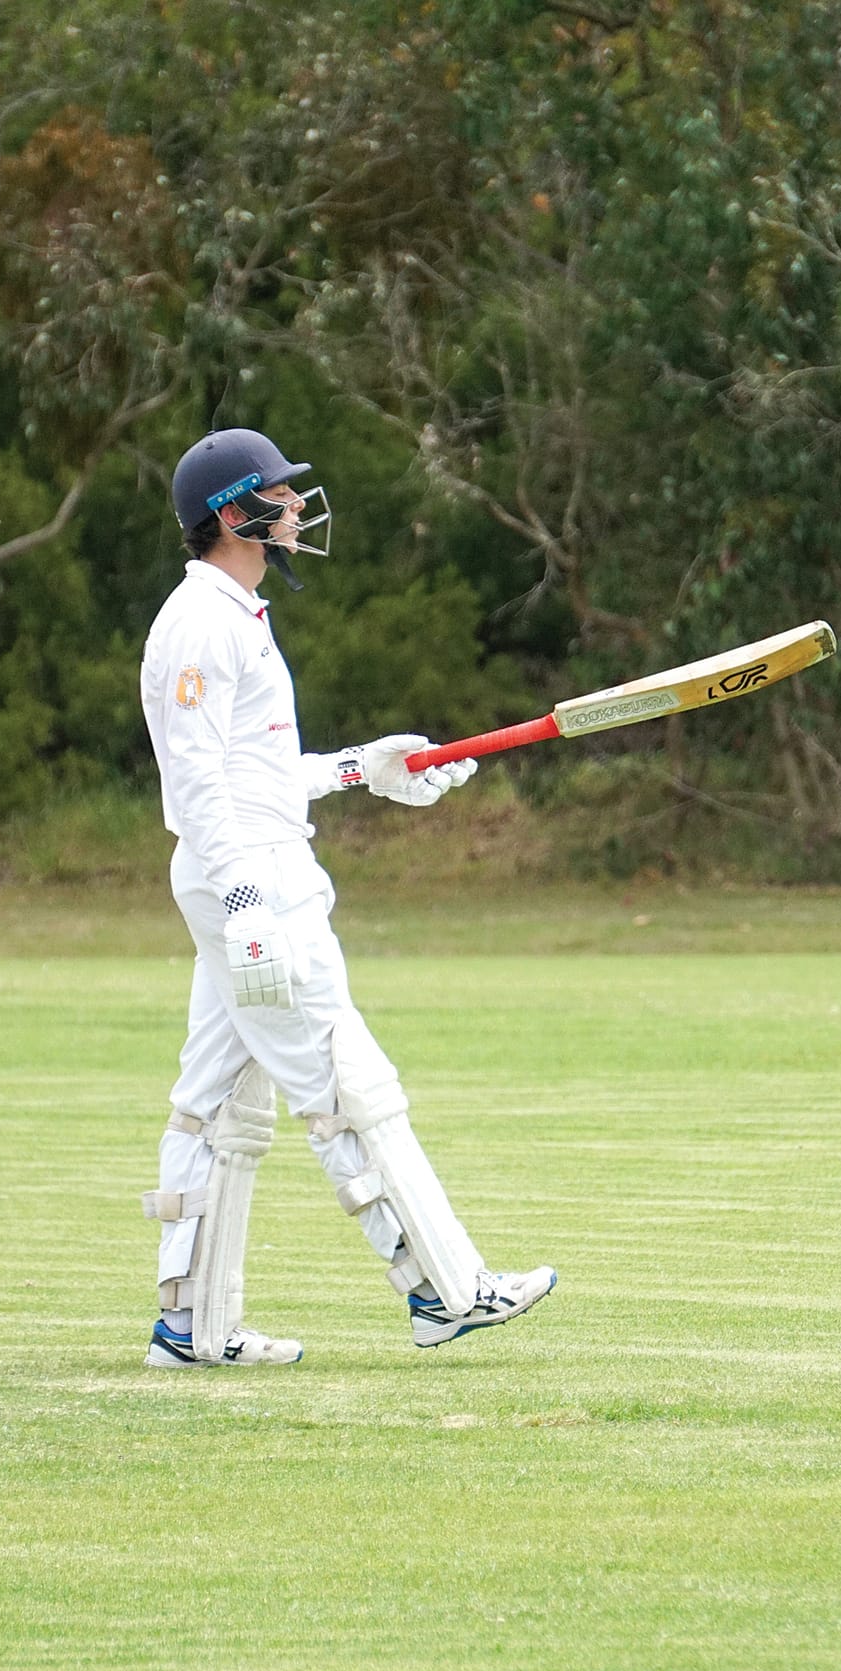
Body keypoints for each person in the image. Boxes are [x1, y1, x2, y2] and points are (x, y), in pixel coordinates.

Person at [135, 427, 557, 1368]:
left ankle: (190, 1327)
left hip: (252, 865)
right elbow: (198, 782)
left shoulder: (237, 613)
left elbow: (258, 771)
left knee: (217, 1103)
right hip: (253, 879)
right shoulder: (198, 622)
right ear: (233, 514)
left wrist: (368, 767)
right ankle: (445, 1293)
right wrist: (245, 898)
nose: (295, 509)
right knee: (344, 1081)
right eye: (278, 496)